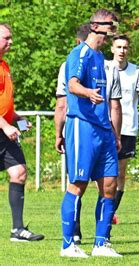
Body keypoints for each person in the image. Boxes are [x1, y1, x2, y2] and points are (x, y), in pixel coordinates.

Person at [59, 9, 122, 258]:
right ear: (96, 26)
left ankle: (101, 243)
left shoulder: (100, 57)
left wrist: (114, 133)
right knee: (78, 184)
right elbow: (72, 85)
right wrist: (88, 93)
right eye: (110, 24)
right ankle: (68, 245)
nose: (114, 27)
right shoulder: (80, 53)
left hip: (103, 129)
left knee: (109, 185)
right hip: (82, 126)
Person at [0, 23, 44, 242]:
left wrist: (14, 117)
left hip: (4, 130)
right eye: (6, 38)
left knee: (19, 172)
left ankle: (17, 230)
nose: (11, 42)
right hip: (2, 129)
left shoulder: (4, 65)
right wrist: (5, 125)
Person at [107, 34, 139, 231]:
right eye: (118, 47)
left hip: (127, 129)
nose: (121, 51)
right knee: (105, 173)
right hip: (107, 128)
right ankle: (106, 208)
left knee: (120, 172)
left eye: (125, 47)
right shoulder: (104, 68)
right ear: (112, 49)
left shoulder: (136, 71)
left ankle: (110, 212)